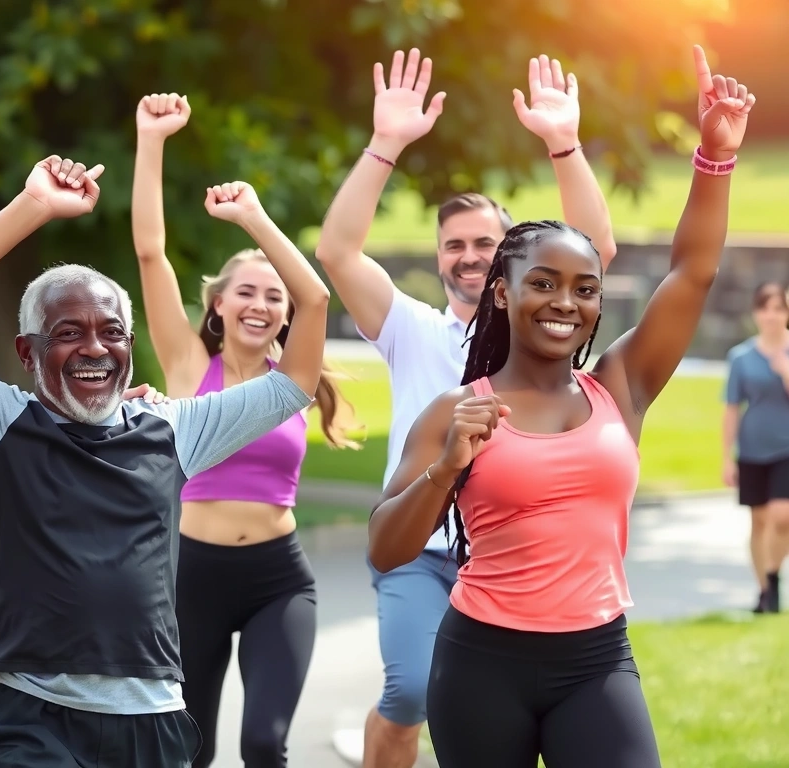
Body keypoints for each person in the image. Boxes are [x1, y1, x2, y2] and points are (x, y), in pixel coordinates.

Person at [367, 46, 754, 768]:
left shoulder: (620, 385)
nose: (566, 303)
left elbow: (694, 273)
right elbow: (385, 548)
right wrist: (447, 466)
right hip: (481, 662)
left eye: (584, 288)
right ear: (504, 293)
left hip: (595, 659)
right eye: (544, 283)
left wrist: (715, 155)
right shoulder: (459, 407)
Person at [0, 151, 331, 767]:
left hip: (149, 717)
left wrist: (255, 219)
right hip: (24, 713)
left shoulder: (174, 428)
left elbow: (306, 339)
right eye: (68, 332)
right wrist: (34, 206)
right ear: (26, 350)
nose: (94, 347)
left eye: (112, 332)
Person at [316, 48, 618, 768]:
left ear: (512, 261)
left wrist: (563, 143)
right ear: (440, 257)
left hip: (515, 557)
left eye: (486, 242)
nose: (469, 255)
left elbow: (596, 250)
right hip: (423, 553)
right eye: (454, 245)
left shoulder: (546, 328)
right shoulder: (410, 328)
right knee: (412, 691)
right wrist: (387, 143)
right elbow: (336, 250)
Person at [131, 93, 358, 767]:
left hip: (276, 578)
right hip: (189, 576)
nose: (261, 304)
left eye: (272, 296)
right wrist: (151, 141)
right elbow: (150, 253)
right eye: (246, 292)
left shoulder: (294, 378)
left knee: (264, 743)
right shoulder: (183, 363)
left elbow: (316, 295)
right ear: (218, 304)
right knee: (188, 751)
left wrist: (256, 220)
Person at [723, 281, 789, 613]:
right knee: (760, 521)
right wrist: (726, 457)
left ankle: (774, 575)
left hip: (787, 449)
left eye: (779, 308)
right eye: (765, 308)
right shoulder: (741, 357)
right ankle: (765, 592)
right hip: (751, 449)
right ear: (756, 313)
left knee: (783, 516)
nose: (772, 315)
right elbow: (731, 408)